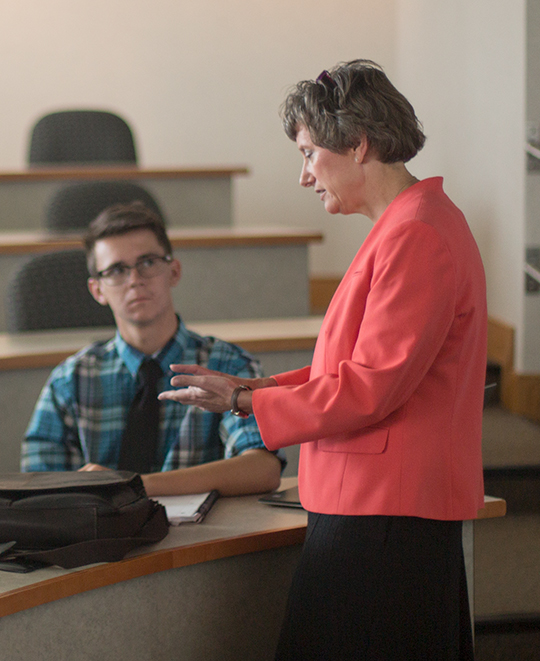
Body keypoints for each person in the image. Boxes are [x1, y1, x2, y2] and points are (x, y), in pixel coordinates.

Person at [157, 60, 487, 660]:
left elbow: (369, 388)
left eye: (309, 153)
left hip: (387, 515)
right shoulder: (406, 226)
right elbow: (353, 367)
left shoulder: (417, 234)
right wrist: (251, 386)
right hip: (372, 506)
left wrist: (245, 403)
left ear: (358, 144)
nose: (304, 175)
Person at [21, 202, 282, 498]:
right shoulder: (70, 379)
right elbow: (39, 489)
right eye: (117, 270)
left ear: (173, 271)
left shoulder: (228, 365)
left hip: (202, 538)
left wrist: (134, 487)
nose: (135, 280)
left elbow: (263, 467)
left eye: (147, 262)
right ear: (97, 290)